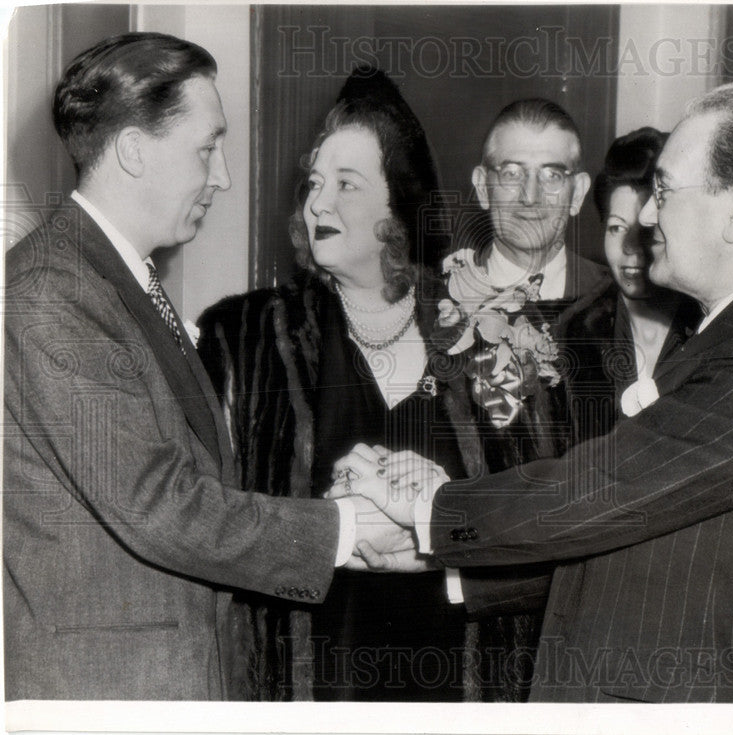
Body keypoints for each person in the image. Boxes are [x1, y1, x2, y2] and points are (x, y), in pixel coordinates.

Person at [345, 80, 733, 703]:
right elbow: (651, 542)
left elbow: (606, 488)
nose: (646, 215)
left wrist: (435, 509)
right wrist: (445, 564)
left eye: (664, 191)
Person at [3, 33, 402, 701]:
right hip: (109, 696)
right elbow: (157, 504)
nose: (220, 175)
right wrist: (345, 528)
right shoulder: (53, 291)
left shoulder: (115, 281)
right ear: (134, 150)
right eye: (207, 148)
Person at [197, 67, 465, 701]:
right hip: (307, 675)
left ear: (399, 204)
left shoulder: (476, 329)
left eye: (347, 184)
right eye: (315, 183)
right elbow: (206, 514)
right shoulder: (245, 335)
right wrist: (335, 513)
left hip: (454, 671)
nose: (318, 203)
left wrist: (440, 505)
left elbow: (528, 505)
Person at [439, 98, 614, 701]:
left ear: (578, 189)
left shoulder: (619, 310)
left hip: (586, 617)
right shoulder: (429, 309)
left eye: (553, 174)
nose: (532, 195)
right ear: (483, 187)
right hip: (453, 625)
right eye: (512, 173)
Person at [563, 127, 700, 438]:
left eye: (646, 230)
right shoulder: (574, 332)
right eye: (615, 228)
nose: (628, 248)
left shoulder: (710, 325)